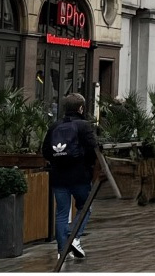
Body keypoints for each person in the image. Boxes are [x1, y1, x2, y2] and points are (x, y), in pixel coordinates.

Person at [42, 93, 98, 259]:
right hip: (80, 176)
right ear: (81, 108)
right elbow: (93, 148)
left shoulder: (54, 126)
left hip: (58, 176)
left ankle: (62, 250)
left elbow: (45, 151)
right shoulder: (83, 125)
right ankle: (74, 238)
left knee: (61, 212)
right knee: (85, 206)